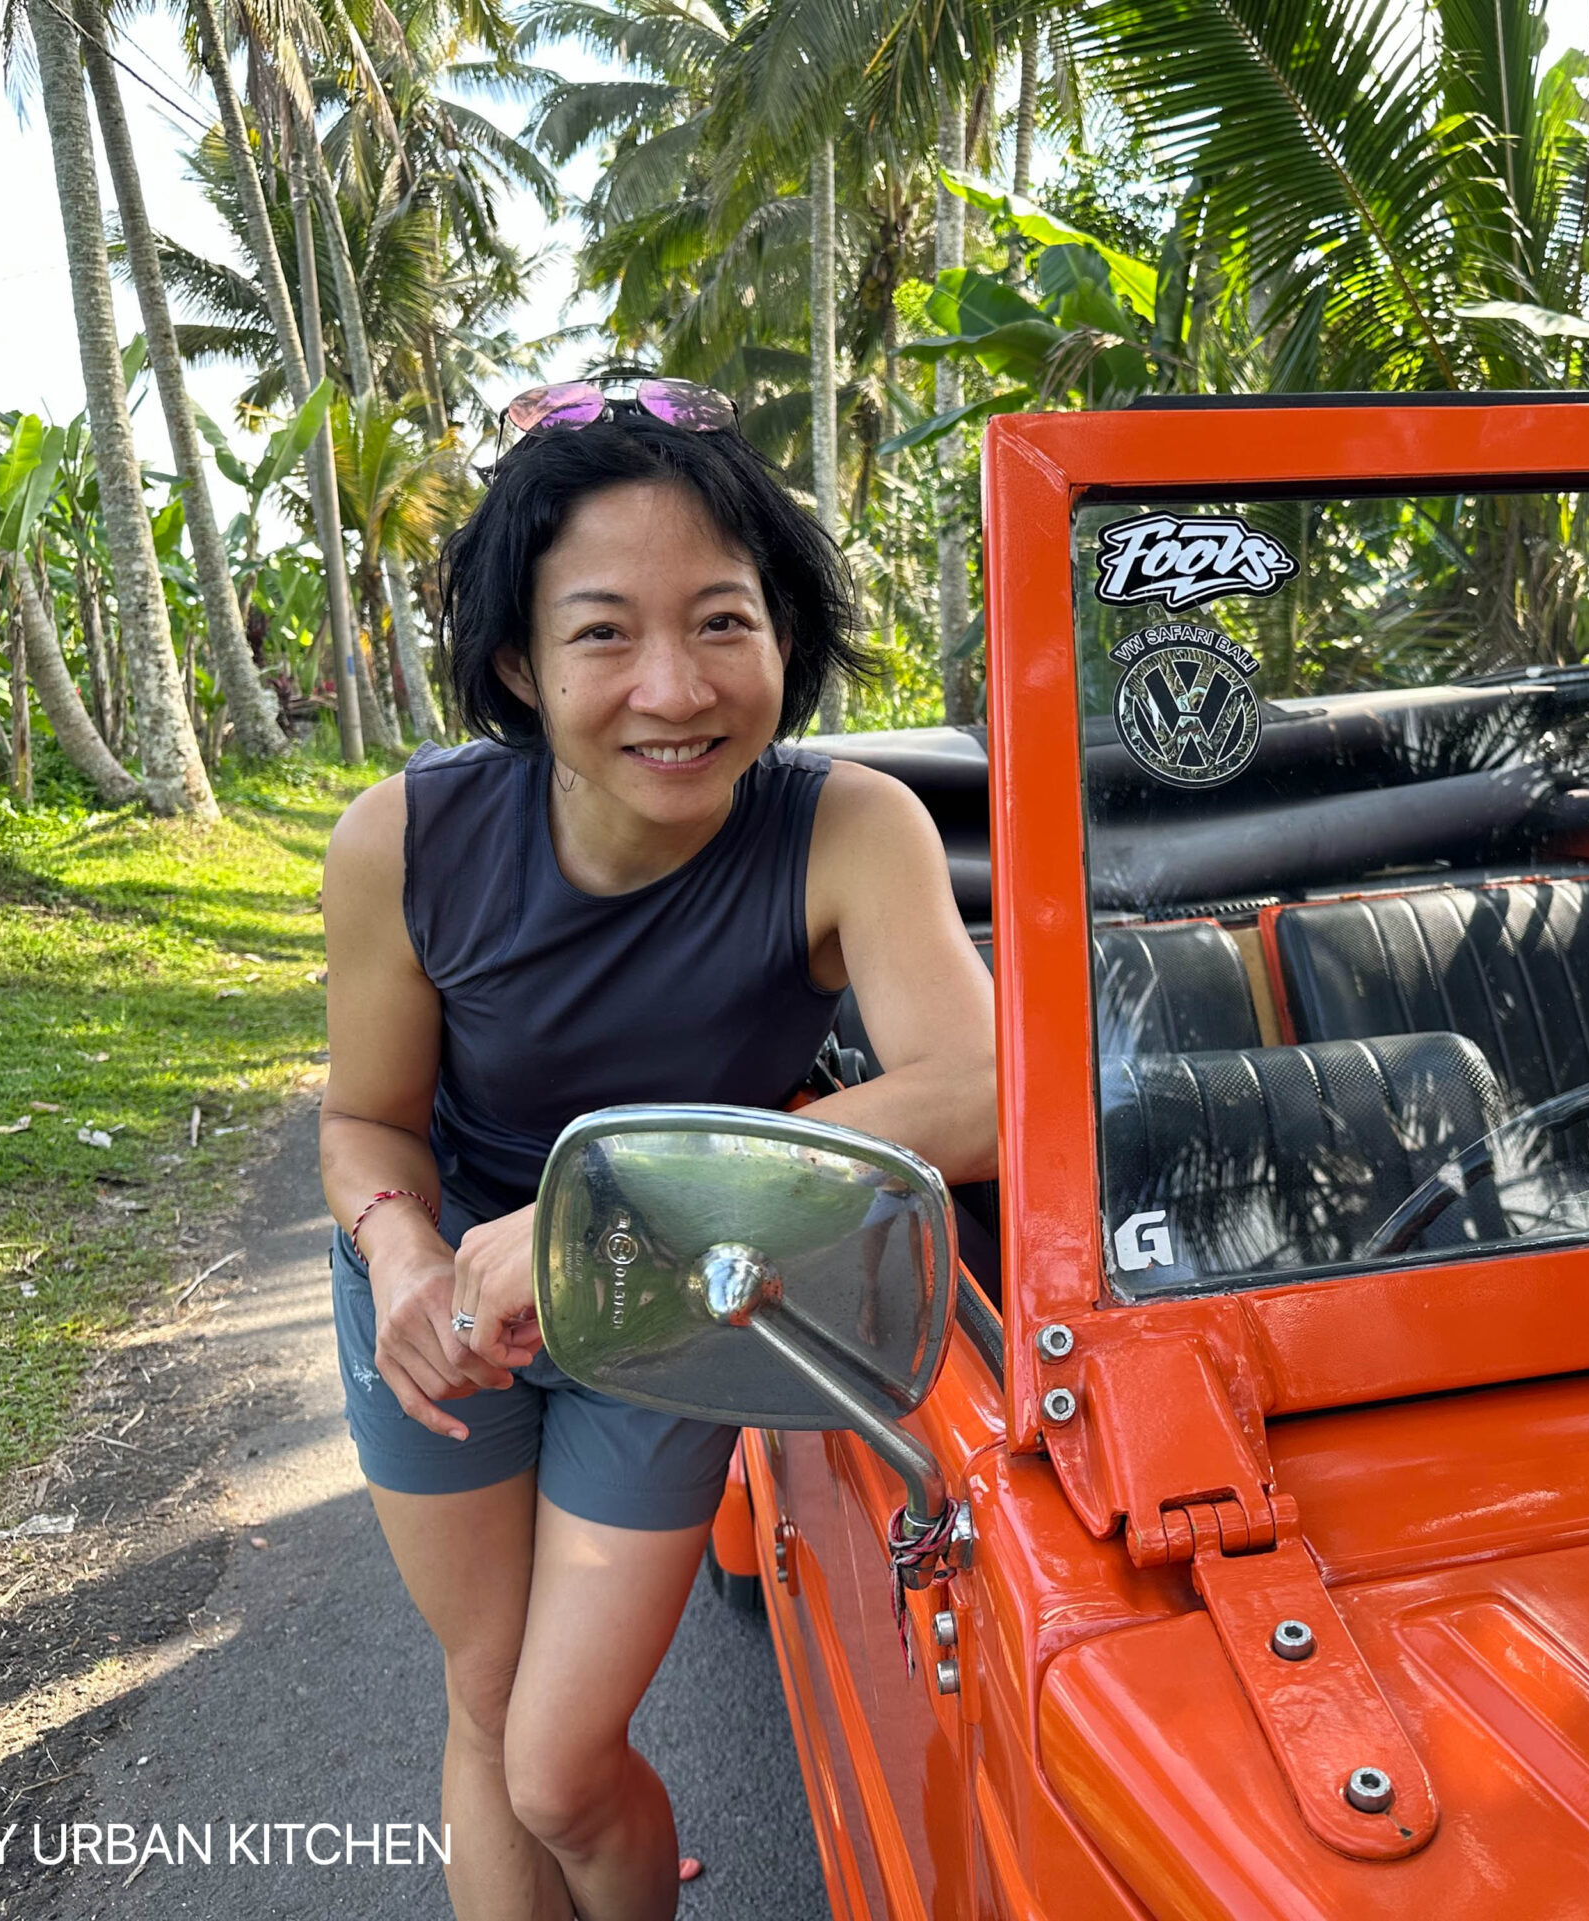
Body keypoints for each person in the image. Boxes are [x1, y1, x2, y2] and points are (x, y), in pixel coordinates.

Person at [317, 377, 997, 1921]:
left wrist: (637, 1201)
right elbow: (363, 1120)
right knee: (488, 1699)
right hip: (439, 1312)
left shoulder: (848, 828)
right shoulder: (405, 844)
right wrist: (405, 1249)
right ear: (521, 663)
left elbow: (978, 1085)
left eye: (723, 620)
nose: (676, 687)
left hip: (687, 1296)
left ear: (784, 638)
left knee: (558, 1759)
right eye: (606, 630)